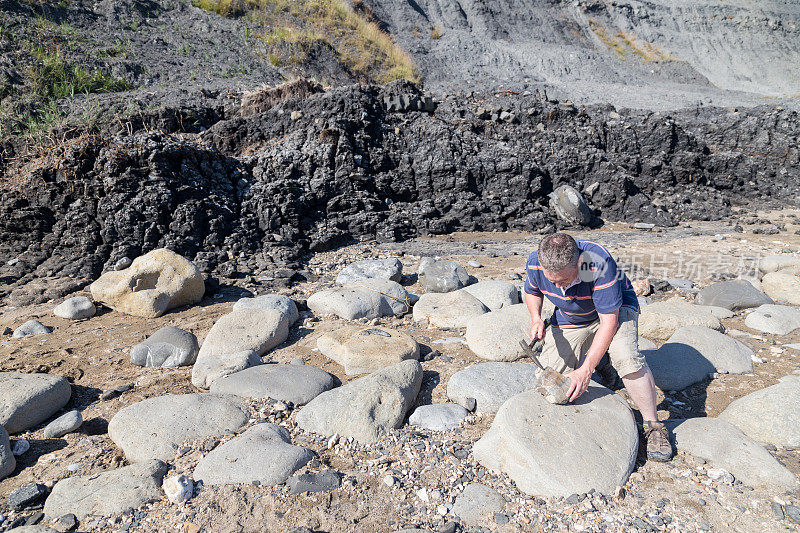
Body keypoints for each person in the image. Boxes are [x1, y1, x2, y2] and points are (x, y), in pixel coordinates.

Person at [523, 232, 672, 462]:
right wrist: (536, 318)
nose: (557, 287)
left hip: (617, 310)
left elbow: (608, 322)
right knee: (553, 375)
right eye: (551, 281)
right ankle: (604, 363)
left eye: (562, 281)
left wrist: (586, 369)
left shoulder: (595, 263)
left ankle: (653, 425)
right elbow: (532, 292)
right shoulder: (536, 262)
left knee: (627, 358)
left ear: (579, 263)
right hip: (573, 315)